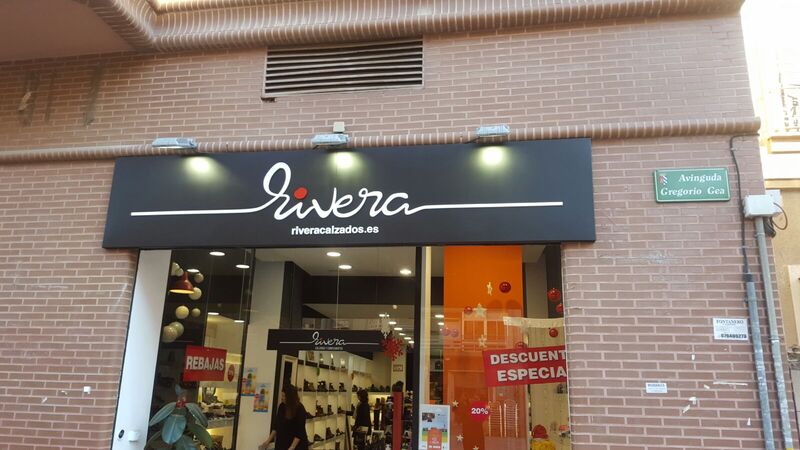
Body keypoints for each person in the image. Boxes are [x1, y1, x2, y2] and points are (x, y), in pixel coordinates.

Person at [259, 385, 309, 450]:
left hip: (296, 445)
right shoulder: (281, 406)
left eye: (284, 396)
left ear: (290, 397)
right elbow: (276, 426)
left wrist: (292, 447)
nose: (282, 398)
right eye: (281, 395)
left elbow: (300, 432)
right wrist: (267, 441)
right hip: (282, 443)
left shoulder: (300, 409)